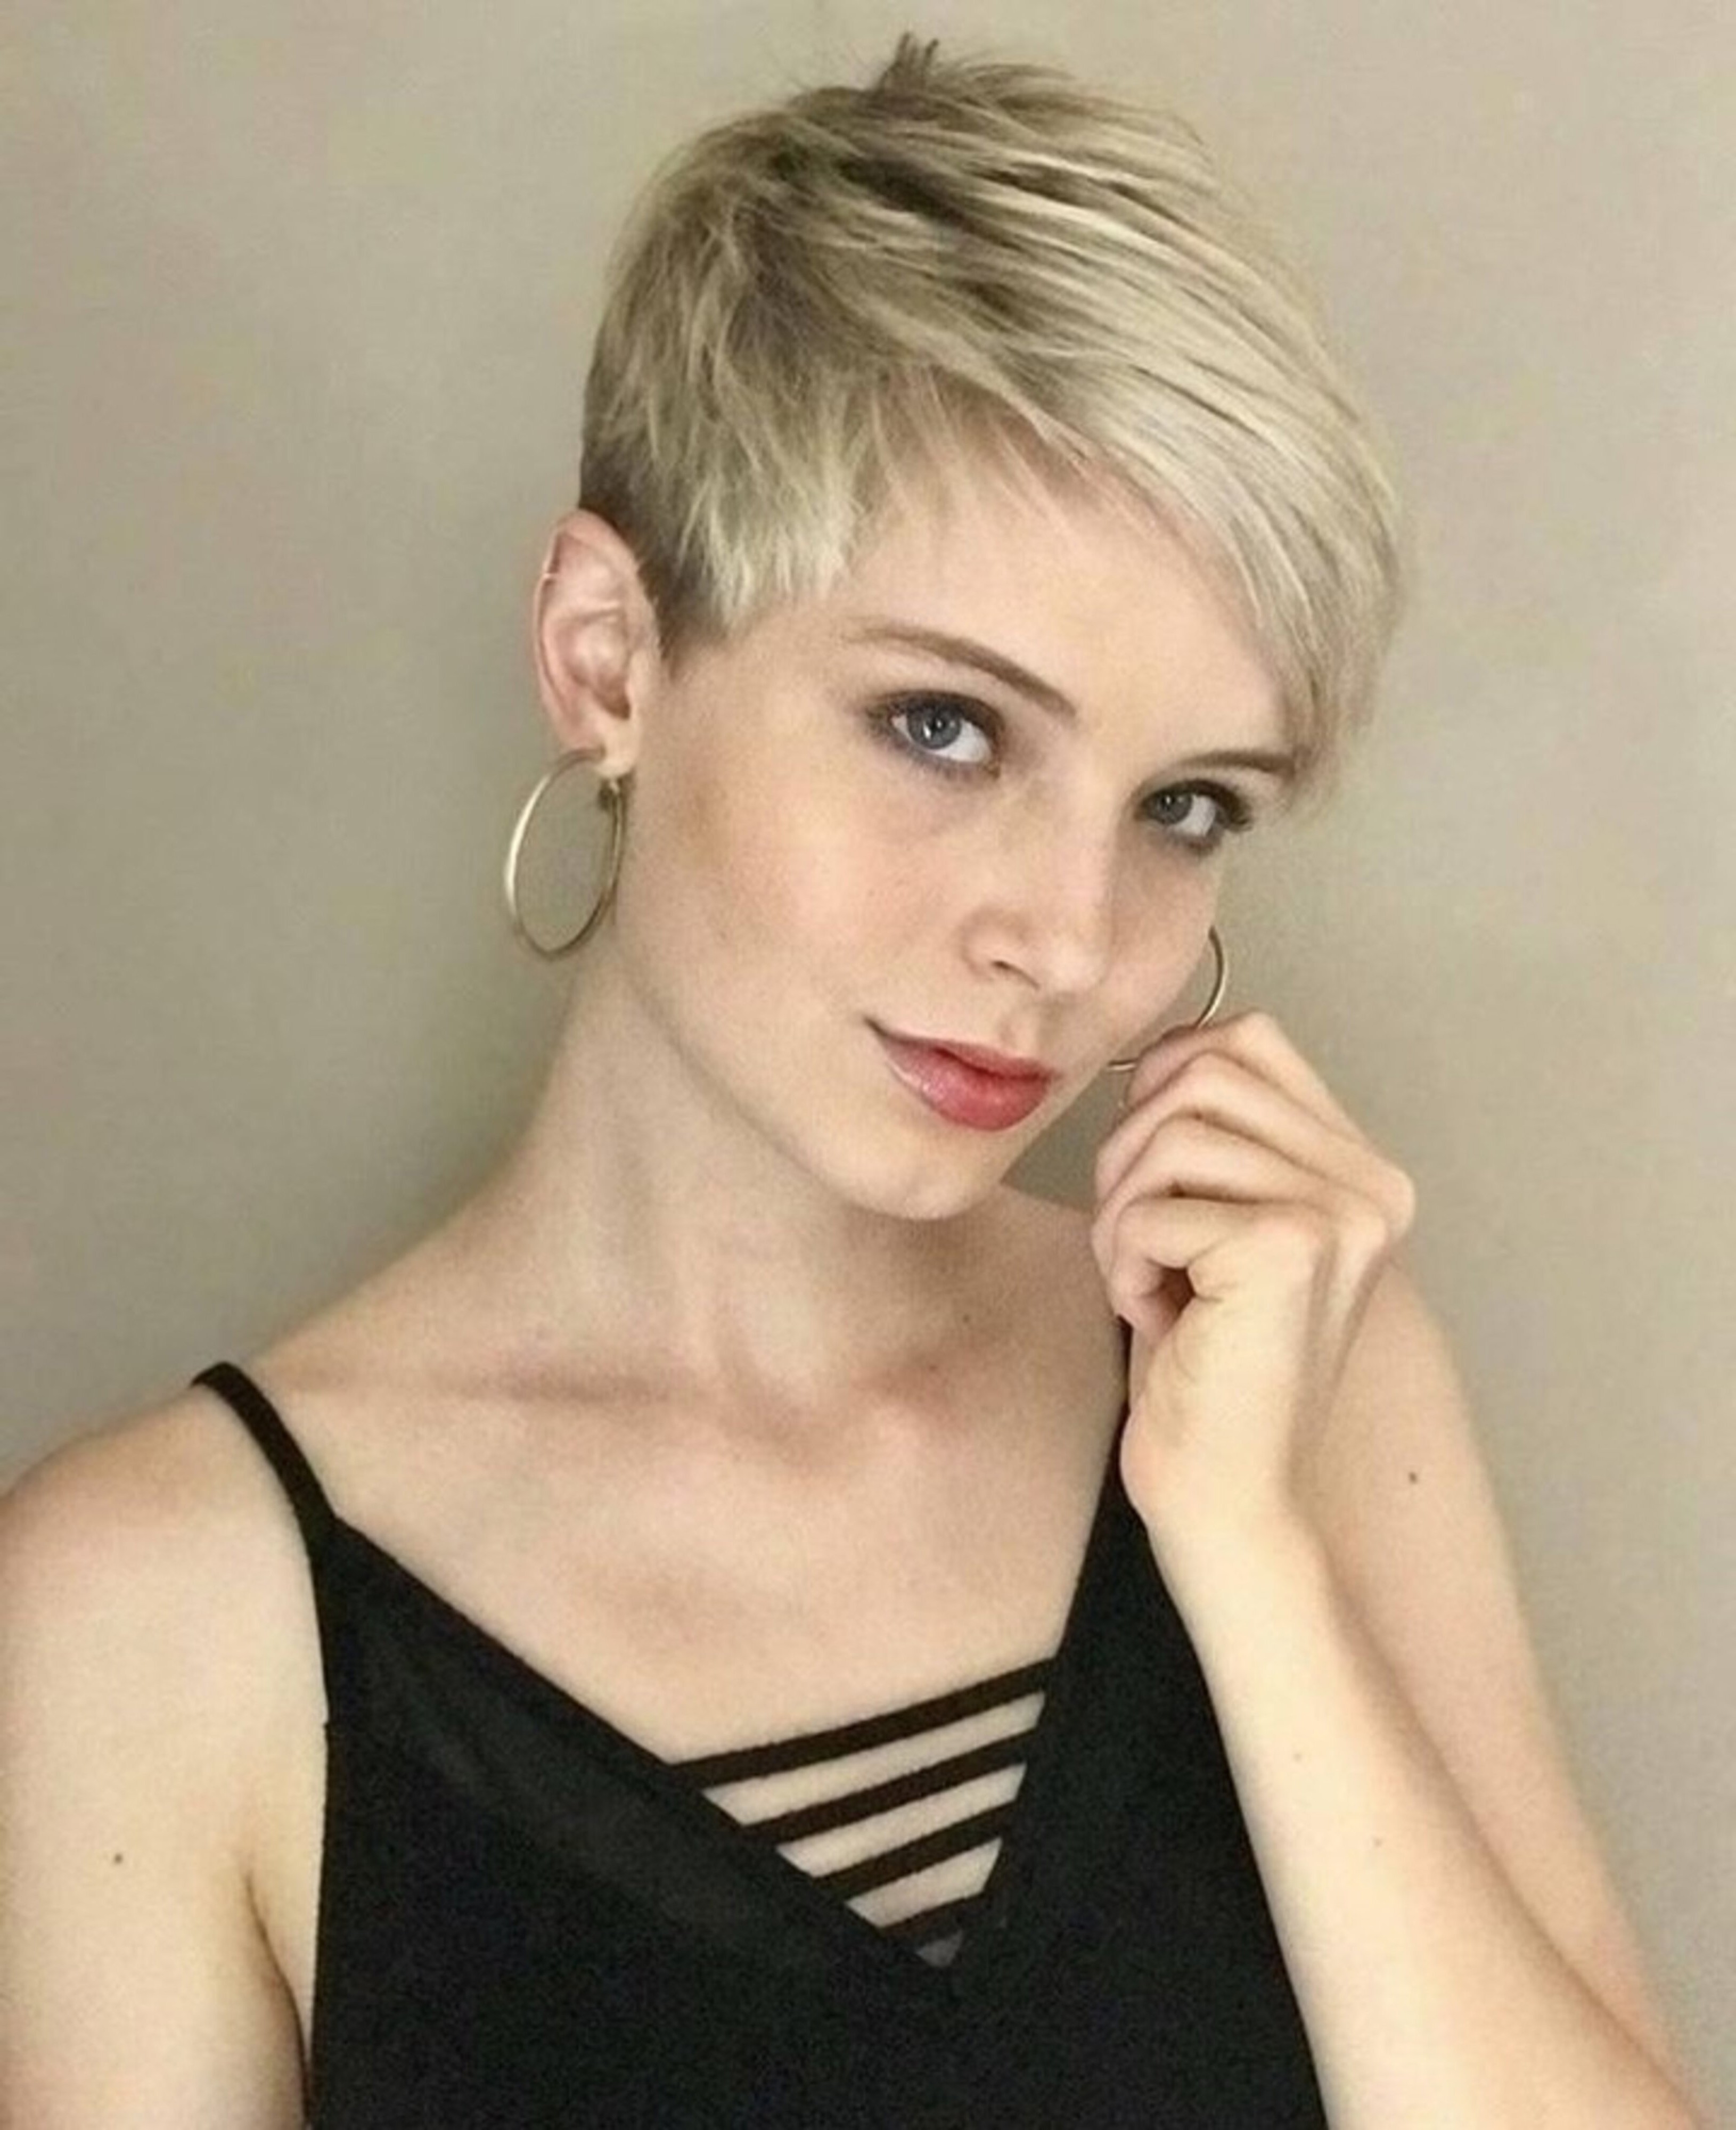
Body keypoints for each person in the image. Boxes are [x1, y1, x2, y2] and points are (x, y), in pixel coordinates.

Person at [0, 32, 1701, 2130]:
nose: (1065, 938)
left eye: (1180, 805)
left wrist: (1250, 1568)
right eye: (943, 729)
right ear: (609, 656)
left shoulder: (1291, 1388)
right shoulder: (161, 1610)